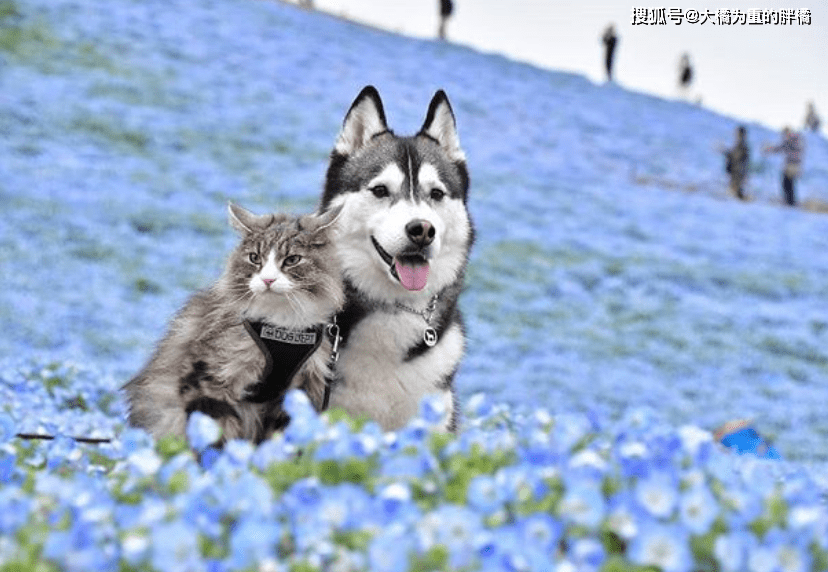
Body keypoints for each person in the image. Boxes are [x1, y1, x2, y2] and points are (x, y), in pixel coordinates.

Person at [764, 127, 804, 207]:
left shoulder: (790, 141)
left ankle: (789, 203)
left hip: (790, 166)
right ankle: (791, 202)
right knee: (790, 184)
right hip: (796, 167)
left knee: (786, 184)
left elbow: (779, 148)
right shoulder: (796, 140)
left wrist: (768, 149)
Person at [721, 126, 750, 200]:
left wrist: (727, 153)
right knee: (734, 192)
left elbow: (738, 157)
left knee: (736, 193)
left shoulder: (743, 146)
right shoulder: (739, 145)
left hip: (738, 172)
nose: (737, 135)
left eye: (738, 134)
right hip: (736, 171)